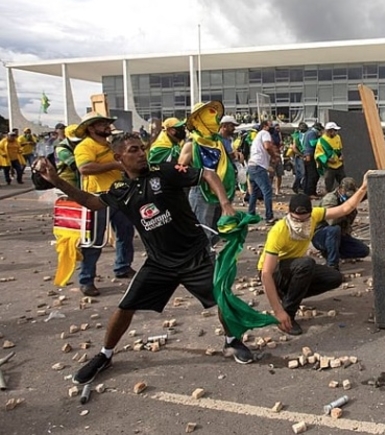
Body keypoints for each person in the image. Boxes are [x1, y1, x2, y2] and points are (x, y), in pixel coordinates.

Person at [34, 132, 261, 385]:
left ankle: (231, 341)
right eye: (133, 150)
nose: (141, 153)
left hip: (194, 256)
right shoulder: (121, 190)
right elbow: (90, 201)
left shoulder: (164, 171)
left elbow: (208, 174)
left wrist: (226, 204)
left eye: (142, 148)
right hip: (159, 263)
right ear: (119, 157)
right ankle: (105, 354)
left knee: (222, 299)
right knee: (125, 307)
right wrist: (55, 180)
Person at [259, 184, 369, 336]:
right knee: (306, 264)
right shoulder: (278, 231)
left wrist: (363, 186)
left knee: (334, 277)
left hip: (294, 267)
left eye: (304, 220)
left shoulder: (316, 215)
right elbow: (265, 273)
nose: (300, 224)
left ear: (311, 215)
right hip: (274, 272)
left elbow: (345, 209)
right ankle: (287, 315)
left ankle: (289, 295)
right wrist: (278, 311)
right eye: (296, 220)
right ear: (289, 213)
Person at [74, 112, 136, 296]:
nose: (107, 126)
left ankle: (123, 267)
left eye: (107, 123)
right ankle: (86, 279)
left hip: (118, 194)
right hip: (97, 198)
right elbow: (85, 168)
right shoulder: (85, 146)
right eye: (102, 124)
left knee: (126, 232)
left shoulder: (109, 145)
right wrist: (114, 166)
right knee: (94, 240)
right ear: (91, 128)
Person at [179, 101, 236, 248]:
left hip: (220, 191)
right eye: (209, 115)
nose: (214, 119)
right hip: (201, 191)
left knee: (216, 230)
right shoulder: (192, 143)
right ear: (199, 120)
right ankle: (202, 263)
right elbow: (180, 169)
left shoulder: (217, 143)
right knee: (203, 232)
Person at [312, 177, 370, 270]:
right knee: (334, 230)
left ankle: (333, 252)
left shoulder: (349, 197)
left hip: (340, 235)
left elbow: (364, 194)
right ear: (341, 189)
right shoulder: (330, 199)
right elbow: (332, 221)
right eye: (347, 194)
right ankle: (332, 265)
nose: (350, 197)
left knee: (363, 250)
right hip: (321, 234)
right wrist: (347, 209)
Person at [246, 120, 279, 224]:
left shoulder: (257, 136)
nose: (272, 127)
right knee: (267, 191)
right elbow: (267, 146)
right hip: (258, 166)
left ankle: (250, 214)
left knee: (254, 192)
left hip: (252, 166)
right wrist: (274, 156)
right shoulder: (265, 133)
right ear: (265, 126)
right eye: (270, 125)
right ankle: (269, 217)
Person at [315, 122, 345, 193]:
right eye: (335, 130)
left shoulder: (338, 137)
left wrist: (341, 156)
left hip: (339, 165)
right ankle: (328, 197)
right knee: (328, 184)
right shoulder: (322, 141)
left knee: (343, 182)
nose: (336, 132)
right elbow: (318, 154)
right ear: (329, 131)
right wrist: (328, 160)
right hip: (329, 167)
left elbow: (339, 149)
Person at [302, 123, 322, 197]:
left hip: (306, 155)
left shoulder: (307, 133)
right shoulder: (312, 133)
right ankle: (310, 192)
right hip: (310, 155)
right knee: (313, 175)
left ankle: (307, 191)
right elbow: (313, 143)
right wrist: (320, 139)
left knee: (308, 175)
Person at [290, 122, 307, 194]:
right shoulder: (297, 136)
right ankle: (297, 187)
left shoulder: (301, 135)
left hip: (300, 155)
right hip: (299, 156)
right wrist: (301, 155)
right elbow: (294, 147)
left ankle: (298, 187)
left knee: (300, 173)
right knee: (302, 173)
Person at [269, 123, 284, 195]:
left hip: (278, 155)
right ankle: (270, 189)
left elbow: (281, 144)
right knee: (271, 174)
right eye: (276, 128)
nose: (278, 129)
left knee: (279, 174)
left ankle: (277, 190)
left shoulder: (279, 135)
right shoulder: (270, 136)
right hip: (273, 156)